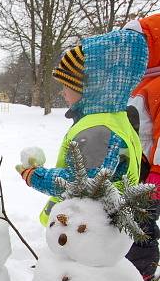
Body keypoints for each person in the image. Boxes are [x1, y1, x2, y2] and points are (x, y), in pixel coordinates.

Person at [17, 30, 147, 233]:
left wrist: (35, 175)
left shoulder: (98, 130)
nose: (63, 92)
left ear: (89, 88)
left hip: (89, 229)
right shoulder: (111, 117)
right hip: (99, 224)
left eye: (66, 86)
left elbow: (84, 184)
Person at [124, 13, 160, 281]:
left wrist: (157, 172)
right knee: (131, 217)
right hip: (137, 168)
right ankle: (129, 263)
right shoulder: (140, 84)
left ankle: (142, 270)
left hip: (152, 172)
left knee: (142, 221)